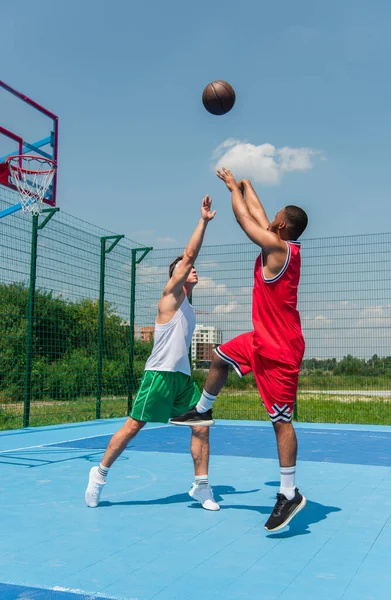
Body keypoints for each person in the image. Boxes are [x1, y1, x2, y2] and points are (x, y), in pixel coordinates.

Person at [170, 169, 308, 532]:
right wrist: (250, 187)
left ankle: (289, 493)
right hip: (262, 338)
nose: (270, 217)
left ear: (281, 225)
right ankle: (201, 411)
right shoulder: (282, 243)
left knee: (281, 421)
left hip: (279, 349)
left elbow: (246, 219)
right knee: (219, 356)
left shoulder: (277, 248)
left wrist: (233, 189)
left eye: (275, 217)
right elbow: (261, 217)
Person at [85, 195, 219, 511]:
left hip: (183, 380)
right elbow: (188, 255)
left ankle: (201, 487)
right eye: (190, 268)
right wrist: (203, 221)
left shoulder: (189, 306)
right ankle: (99, 475)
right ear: (177, 275)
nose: (194, 269)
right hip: (158, 375)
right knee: (133, 426)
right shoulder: (169, 298)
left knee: (201, 425)